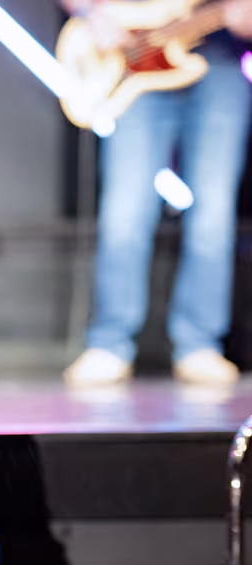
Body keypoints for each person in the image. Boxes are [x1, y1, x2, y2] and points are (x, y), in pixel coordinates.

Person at [63, 0, 252, 387]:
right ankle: (110, 343)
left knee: (214, 213)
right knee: (125, 208)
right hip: (134, 54)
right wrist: (91, 13)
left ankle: (200, 344)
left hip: (219, 57)